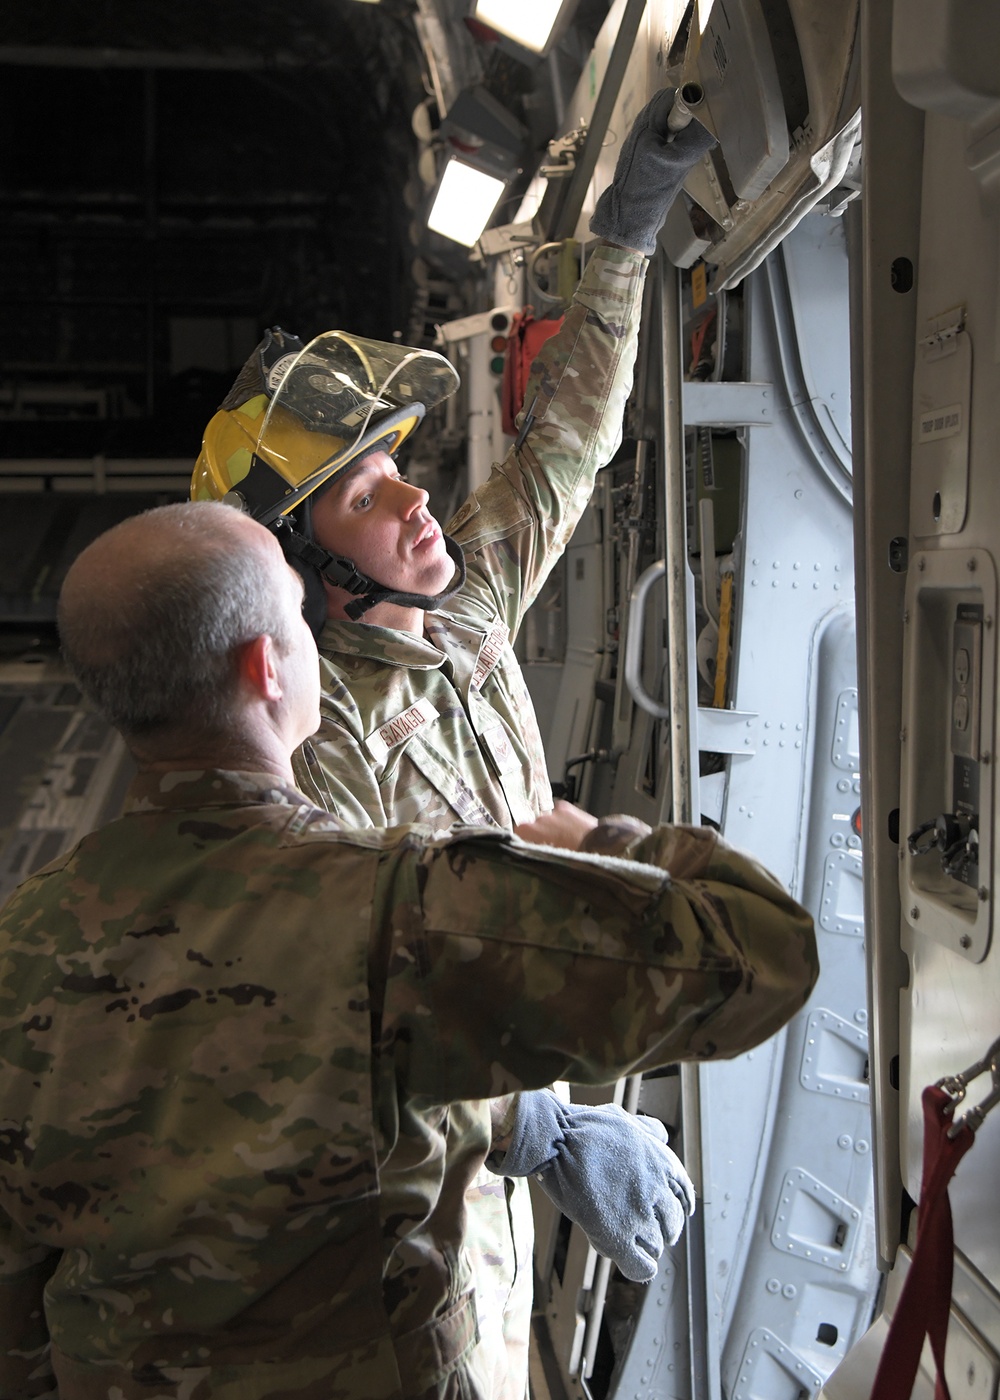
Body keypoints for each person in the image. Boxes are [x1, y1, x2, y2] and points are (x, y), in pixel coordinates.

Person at [0, 501, 816, 1399]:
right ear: (269, 667)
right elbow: (763, 952)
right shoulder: (401, 908)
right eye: (302, 620)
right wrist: (602, 847)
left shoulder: (19, 947)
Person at [190, 87, 717, 1394]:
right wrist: (546, 1128)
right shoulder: (316, 740)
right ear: (307, 573)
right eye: (369, 494)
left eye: (401, 465)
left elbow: (569, 444)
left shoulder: (462, 604)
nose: (418, 498)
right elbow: (346, 1005)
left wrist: (629, 229)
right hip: (398, 1206)